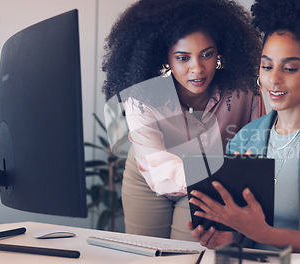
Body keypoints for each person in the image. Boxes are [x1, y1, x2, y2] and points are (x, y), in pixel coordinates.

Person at [187, 0, 300, 257]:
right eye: (266, 66)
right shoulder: (243, 139)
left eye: (289, 68)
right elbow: (242, 235)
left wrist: (261, 233)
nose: (274, 79)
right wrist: (227, 237)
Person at [101, 0, 265, 241]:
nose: (197, 69)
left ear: (220, 51)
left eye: (206, 55)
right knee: (148, 255)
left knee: (188, 253)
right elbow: (158, 170)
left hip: (212, 182)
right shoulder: (141, 97)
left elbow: (257, 154)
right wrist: (222, 169)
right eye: (183, 58)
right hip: (149, 176)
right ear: (164, 57)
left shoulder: (246, 92)